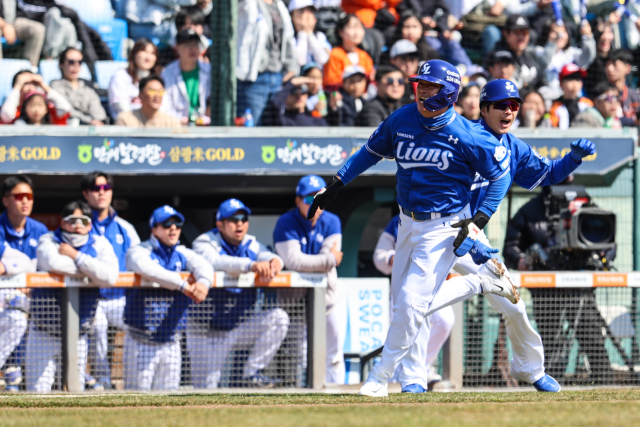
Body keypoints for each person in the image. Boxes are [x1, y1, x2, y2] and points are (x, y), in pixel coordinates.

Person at [306, 60, 520, 397]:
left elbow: (501, 176)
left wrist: (478, 222)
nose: (422, 91)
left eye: (431, 86)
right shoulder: (402, 118)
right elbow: (369, 152)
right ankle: (412, 381)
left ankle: (379, 378)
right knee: (402, 306)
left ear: (448, 92)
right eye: (420, 84)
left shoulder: (466, 133)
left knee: (410, 302)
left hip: (445, 225)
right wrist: (337, 183)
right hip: (406, 222)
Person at [410, 79, 595, 393]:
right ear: (483, 109)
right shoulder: (462, 135)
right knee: (418, 304)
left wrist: (572, 160)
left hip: (473, 235)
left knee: (513, 304)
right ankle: (413, 378)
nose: (508, 110)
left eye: (514, 105)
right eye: (500, 104)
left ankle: (531, 370)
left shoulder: (514, 146)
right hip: (442, 228)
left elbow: (548, 174)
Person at [504, 187, 614, 385]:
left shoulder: (585, 204)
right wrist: (523, 260)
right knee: (550, 342)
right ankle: (549, 388)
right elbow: (511, 247)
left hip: (581, 285)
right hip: (546, 289)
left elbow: (607, 240)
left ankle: (605, 384)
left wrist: (602, 257)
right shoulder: (529, 211)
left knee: (593, 338)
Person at [190, 199, 290, 388]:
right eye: (233, 219)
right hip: (206, 331)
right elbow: (216, 262)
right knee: (205, 391)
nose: (239, 223)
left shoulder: (250, 243)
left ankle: (252, 372)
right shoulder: (204, 242)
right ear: (220, 224)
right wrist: (250, 265)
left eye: (243, 219)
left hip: (237, 327)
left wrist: (275, 262)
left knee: (278, 318)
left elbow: (268, 256)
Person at [28, 200, 118, 392]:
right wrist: (91, 270)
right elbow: (53, 262)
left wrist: (75, 255)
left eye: (83, 221)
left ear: (90, 225)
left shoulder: (99, 243)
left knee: (74, 393)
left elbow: (110, 276)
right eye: (73, 220)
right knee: (37, 392)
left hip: (79, 334)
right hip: (44, 331)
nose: (78, 225)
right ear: (63, 223)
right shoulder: (49, 239)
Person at [124, 206, 212, 391]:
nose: (173, 228)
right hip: (142, 341)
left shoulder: (182, 252)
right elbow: (148, 269)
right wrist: (184, 286)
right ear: (154, 229)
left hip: (172, 341)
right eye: (166, 224)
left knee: (168, 403)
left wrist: (203, 283)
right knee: (136, 404)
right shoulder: (139, 251)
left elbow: (205, 266)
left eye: (177, 224)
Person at [273, 175, 345, 384]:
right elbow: (294, 260)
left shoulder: (332, 221)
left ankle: (338, 404)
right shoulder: (286, 222)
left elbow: (306, 261)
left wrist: (324, 261)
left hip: (329, 301)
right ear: (297, 201)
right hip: (297, 306)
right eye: (308, 199)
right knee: (301, 359)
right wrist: (329, 259)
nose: (315, 204)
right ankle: (302, 401)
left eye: (320, 197)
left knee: (334, 356)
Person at [373, 214, 455, 390]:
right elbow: (379, 256)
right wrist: (391, 257)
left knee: (445, 320)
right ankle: (403, 374)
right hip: (402, 287)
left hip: (433, 285)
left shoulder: (447, 215)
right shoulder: (397, 221)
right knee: (403, 330)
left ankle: (422, 367)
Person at [79, 172, 140, 390]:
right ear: (86, 194)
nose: (102, 193)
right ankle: (102, 384)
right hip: (91, 297)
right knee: (97, 331)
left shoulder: (125, 227)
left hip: (120, 298)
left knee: (141, 326)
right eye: (96, 189)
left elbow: (139, 258)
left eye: (106, 188)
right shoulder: (80, 225)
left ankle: (135, 383)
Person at [0, 175, 48, 391]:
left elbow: (41, 266)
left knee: (21, 316)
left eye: (29, 196)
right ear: (6, 200)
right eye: (19, 196)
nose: (25, 201)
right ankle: (11, 367)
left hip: (32, 297)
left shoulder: (40, 230)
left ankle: (13, 366)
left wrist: (7, 269)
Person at [237, 0, 298, 126]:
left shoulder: (279, 5)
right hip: (254, 79)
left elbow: (288, 38)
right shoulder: (248, 4)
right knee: (253, 125)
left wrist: (292, 66)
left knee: (275, 125)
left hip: (277, 77)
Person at [536, 21, 596, 102]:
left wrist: (588, 37)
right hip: (549, 101)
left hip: (571, 100)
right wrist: (553, 43)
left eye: (563, 31)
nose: (559, 35)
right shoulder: (539, 51)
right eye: (554, 31)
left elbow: (587, 58)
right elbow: (542, 63)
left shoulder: (571, 52)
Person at [161, 29, 211, 125]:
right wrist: (181, 120)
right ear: (177, 47)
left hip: (206, 126)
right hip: (177, 126)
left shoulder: (210, 70)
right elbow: (165, 106)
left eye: (196, 44)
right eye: (187, 45)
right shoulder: (167, 73)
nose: (192, 49)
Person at [492, 14, 556, 89]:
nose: (521, 37)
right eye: (517, 32)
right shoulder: (499, 56)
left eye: (525, 32)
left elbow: (542, 80)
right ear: (506, 33)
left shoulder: (531, 53)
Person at [50, 48, 107, 126]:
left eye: (79, 62)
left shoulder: (88, 87)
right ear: (61, 65)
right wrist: (89, 121)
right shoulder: (55, 86)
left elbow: (99, 115)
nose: (76, 65)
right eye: (71, 62)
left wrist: (94, 121)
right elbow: (66, 110)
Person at [107, 38, 158, 120]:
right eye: (144, 51)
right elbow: (122, 108)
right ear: (134, 53)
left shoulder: (157, 80)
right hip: (126, 127)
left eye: (152, 53)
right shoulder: (120, 76)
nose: (148, 57)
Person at [322, 14, 374, 92]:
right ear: (341, 32)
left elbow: (371, 79)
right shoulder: (335, 54)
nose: (356, 32)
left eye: (359, 27)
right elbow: (331, 83)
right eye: (352, 27)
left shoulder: (364, 55)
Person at [1, 70, 72, 124]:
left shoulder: (46, 107)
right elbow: (6, 115)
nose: (30, 88)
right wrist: (17, 86)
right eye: (25, 83)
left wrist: (43, 85)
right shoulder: (12, 109)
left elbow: (65, 108)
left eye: (34, 83)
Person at [115, 76, 182, 128]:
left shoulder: (172, 123)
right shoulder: (125, 119)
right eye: (152, 91)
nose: (157, 95)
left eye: (161, 91)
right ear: (140, 94)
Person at [263, 77, 329, 126]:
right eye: (294, 91)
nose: (299, 95)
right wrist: (293, 82)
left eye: (303, 91)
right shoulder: (281, 120)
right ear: (286, 95)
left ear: (307, 95)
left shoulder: (317, 121)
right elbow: (275, 104)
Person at [0, 1, 45, 66]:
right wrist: (5, 25)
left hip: (12, 22)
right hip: (4, 25)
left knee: (38, 29)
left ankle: (30, 69)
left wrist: (8, 24)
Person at [549, 64, 593, 129]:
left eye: (577, 79)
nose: (574, 83)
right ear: (561, 84)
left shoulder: (587, 103)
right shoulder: (555, 106)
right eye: (570, 79)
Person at [290, 0, 331, 67]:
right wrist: (302, 33)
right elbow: (299, 61)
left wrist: (309, 33)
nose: (306, 15)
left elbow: (323, 59)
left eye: (310, 10)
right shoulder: (290, 38)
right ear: (292, 16)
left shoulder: (320, 36)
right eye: (302, 11)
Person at [604, 49, 640, 126]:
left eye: (614, 64)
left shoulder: (635, 96)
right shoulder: (602, 95)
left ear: (627, 68)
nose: (609, 69)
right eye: (607, 65)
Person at [585, 19, 614, 99]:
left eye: (608, 32)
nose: (605, 38)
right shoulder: (588, 59)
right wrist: (608, 21)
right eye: (601, 33)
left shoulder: (615, 56)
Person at [389, 40, 420, 105]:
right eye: (404, 59)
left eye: (412, 59)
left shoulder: (421, 83)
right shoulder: (386, 83)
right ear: (392, 60)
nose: (408, 65)